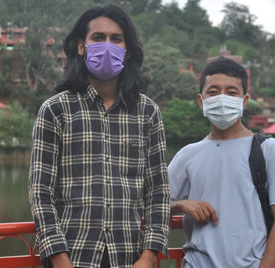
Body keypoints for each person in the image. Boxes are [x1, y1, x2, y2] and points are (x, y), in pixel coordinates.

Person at [28, 4, 170, 268]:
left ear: (126, 50)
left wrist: (150, 255)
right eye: (98, 38)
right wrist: (59, 258)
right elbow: (41, 193)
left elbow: (158, 191)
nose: (107, 45)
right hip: (72, 257)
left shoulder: (147, 112)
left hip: (129, 258)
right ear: (82, 46)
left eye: (116, 39)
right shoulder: (55, 110)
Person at [168, 57, 275, 268]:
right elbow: (152, 209)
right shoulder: (187, 155)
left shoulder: (270, 150)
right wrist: (181, 205)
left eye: (231, 92)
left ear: (244, 100)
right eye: (213, 92)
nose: (222, 98)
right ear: (201, 101)